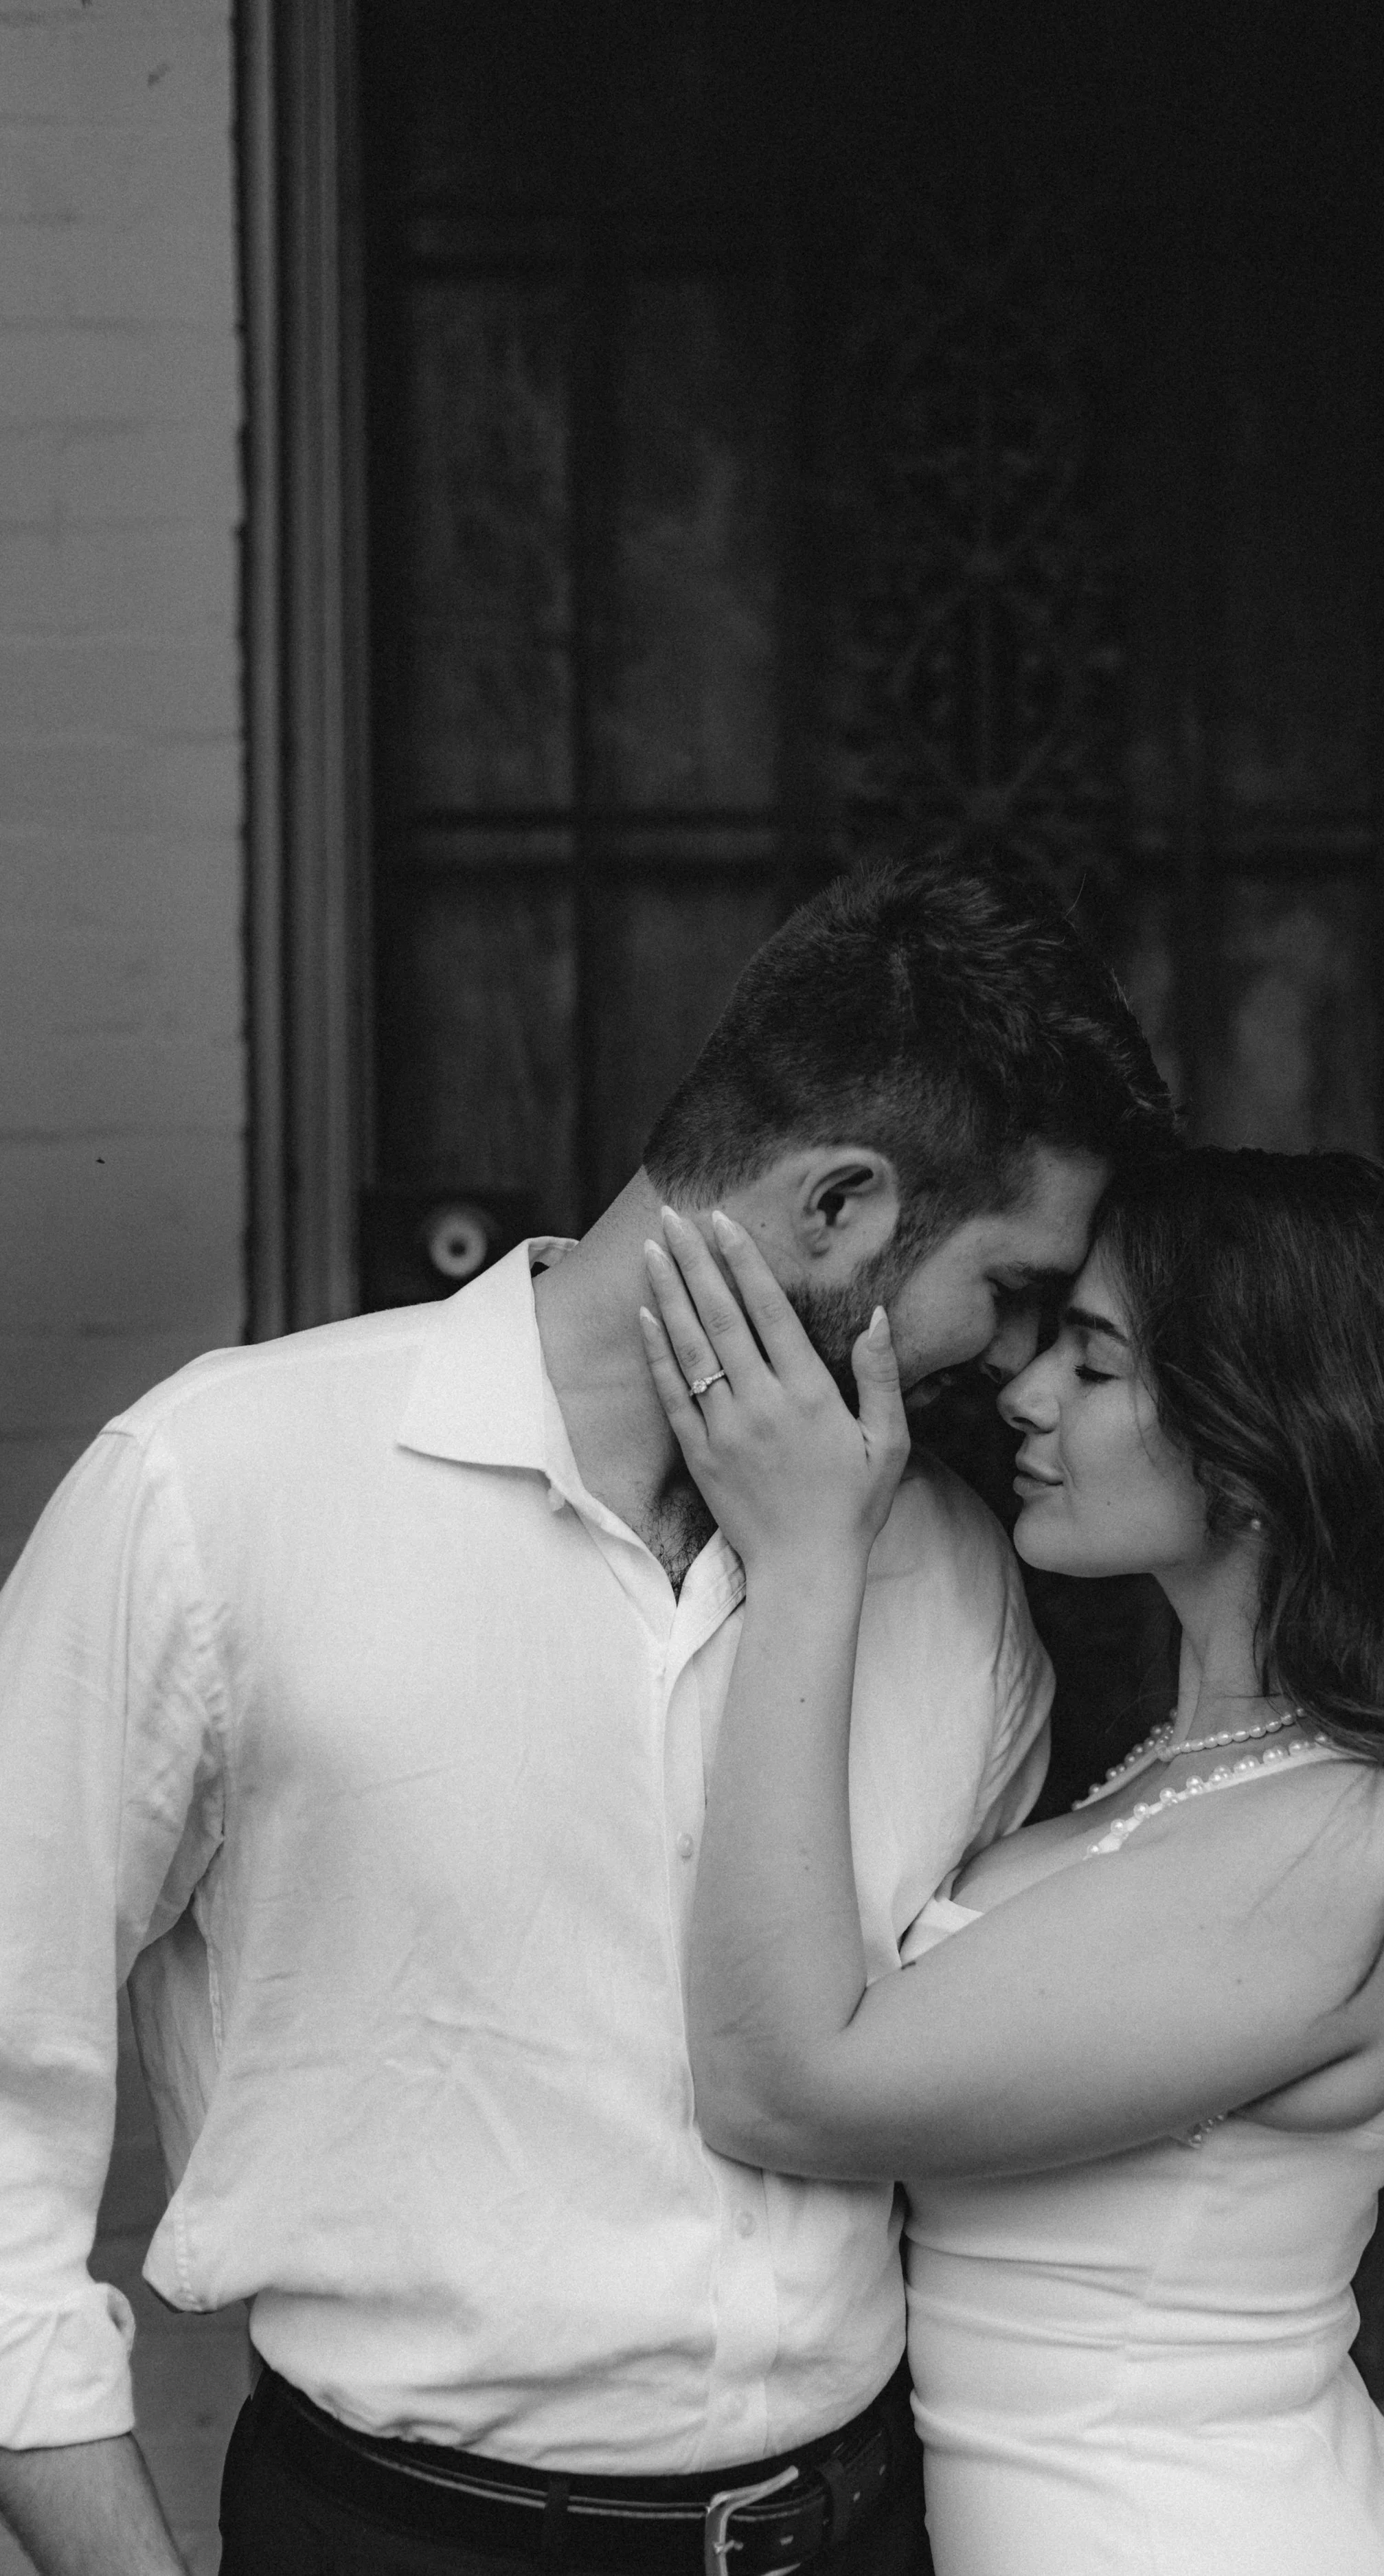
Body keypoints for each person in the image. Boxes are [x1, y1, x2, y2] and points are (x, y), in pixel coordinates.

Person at [0, 862, 1173, 2576]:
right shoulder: (214, 1491)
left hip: (862, 2531)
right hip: (400, 2541)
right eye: (1004, 1292)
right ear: (839, 1209)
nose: (1009, 1370)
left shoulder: (955, 1582)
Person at [643, 1146, 1384, 2575]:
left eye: (1093, 1367)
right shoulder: (1184, 1779)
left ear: (1260, 1443)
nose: (1026, 1396)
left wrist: (802, 1562)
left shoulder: (1347, 1842)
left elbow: (784, 2085)